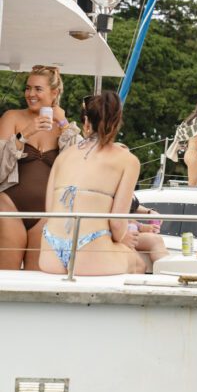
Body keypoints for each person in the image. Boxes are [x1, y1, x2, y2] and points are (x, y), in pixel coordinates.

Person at [39, 92, 144, 275]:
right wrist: (120, 240)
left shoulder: (63, 156)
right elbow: (118, 226)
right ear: (117, 121)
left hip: (49, 251)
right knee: (137, 262)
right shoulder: (128, 160)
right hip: (90, 250)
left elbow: (49, 212)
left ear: (87, 122)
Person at [0, 65, 81, 270]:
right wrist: (25, 133)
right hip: (9, 207)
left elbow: (82, 160)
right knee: (5, 277)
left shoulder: (63, 126)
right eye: (28, 88)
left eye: (37, 89)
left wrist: (63, 122)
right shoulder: (12, 117)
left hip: (46, 212)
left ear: (54, 93)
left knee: (36, 277)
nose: (30, 94)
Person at [129, 195, 169, 270]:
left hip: (128, 229)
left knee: (155, 239)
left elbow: (131, 204)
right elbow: (118, 211)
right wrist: (141, 226)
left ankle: (166, 271)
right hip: (119, 232)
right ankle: (166, 272)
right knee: (155, 239)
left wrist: (149, 211)